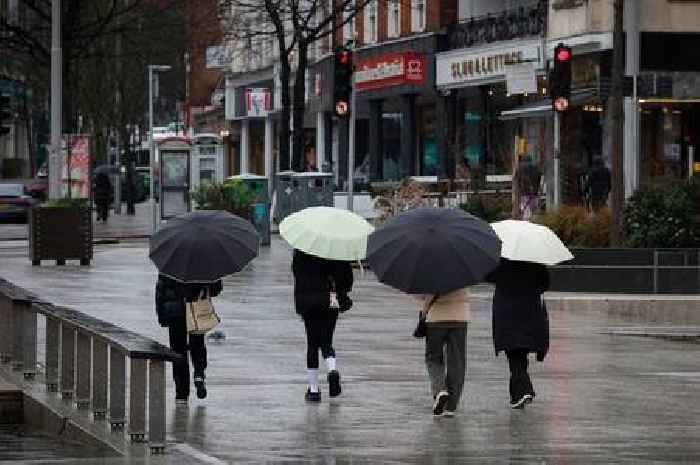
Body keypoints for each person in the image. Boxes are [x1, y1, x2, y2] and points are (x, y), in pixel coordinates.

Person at [486, 259, 549, 409]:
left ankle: (525, 389)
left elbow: (487, 276)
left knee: (514, 354)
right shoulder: (535, 262)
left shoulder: (502, 262)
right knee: (520, 354)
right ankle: (516, 396)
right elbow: (545, 284)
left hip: (508, 314)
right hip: (530, 312)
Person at [292, 249, 353, 402]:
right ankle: (332, 370)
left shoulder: (301, 250)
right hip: (330, 300)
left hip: (308, 301)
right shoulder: (336, 249)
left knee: (312, 343)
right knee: (326, 341)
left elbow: (296, 272)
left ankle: (313, 390)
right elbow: (347, 278)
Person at [155, 274, 223, 404]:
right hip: (196, 310)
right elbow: (216, 289)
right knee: (197, 343)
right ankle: (199, 373)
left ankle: (181, 394)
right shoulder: (204, 265)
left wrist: (162, 316)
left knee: (178, 351)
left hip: (175, 313)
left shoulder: (170, 264)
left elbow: (160, 291)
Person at [418, 288, 470, 417]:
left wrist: (423, 312)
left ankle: (440, 389)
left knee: (433, 357)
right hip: (460, 317)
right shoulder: (464, 270)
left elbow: (426, 296)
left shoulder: (430, 269)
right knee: (457, 361)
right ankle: (451, 406)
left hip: (436, 318)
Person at [514, 156, 541, 220]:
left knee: (526, 209)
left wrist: (518, 189)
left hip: (524, 192)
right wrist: (536, 188)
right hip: (534, 192)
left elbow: (517, 179)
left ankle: (526, 222)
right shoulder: (536, 167)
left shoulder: (520, 167)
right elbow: (539, 178)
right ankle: (534, 221)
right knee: (533, 209)